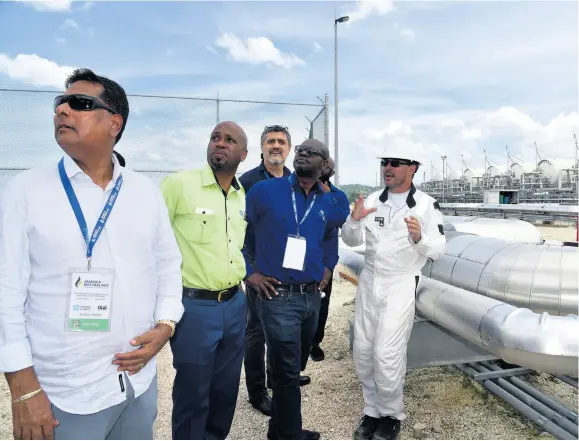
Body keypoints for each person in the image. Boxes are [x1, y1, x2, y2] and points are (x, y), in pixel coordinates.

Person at [0, 68, 184, 440]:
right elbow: (5, 294)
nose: (62, 111)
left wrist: (166, 325)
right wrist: (24, 391)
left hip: (138, 382)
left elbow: (168, 265)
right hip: (66, 394)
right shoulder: (24, 192)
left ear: (115, 122)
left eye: (79, 103)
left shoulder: (145, 192)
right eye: (59, 104)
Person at [243, 139, 347, 440]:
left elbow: (333, 229)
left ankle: (279, 428)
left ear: (325, 166)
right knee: (287, 373)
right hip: (277, 296)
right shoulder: (265, 191)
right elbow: (236, 233)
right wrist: (250, 274)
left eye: (312, 152)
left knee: (293, 364)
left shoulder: (327, 200)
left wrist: (329, 265)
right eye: (300, 149)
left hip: (311, 296)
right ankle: (287, 434)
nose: (302, 153)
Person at [341, 152, 446, 440]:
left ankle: (391, 414)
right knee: (363, 351)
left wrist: (419, 238)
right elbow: (350, 239)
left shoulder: (425, 205)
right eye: (384, 163)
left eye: (395, 163)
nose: (387, 168)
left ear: (412, 168)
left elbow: (438, 250)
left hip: (400, 282)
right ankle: (372, 410)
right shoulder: (373, 200)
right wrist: (353, 220)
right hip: (370, 279)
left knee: (386, 353)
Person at [160, 121, 249, 440]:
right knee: (192, 392)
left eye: (229, 140)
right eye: (215, 137)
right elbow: (151, 242)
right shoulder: (179, 185)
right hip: (194, 307)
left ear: (244, 153)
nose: (220, 143)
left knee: (225, 392)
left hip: (235, 304)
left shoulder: (240, 196)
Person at [239, 125, 293, 417]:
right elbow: (236, 231)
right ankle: (257, 392)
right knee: (256, 331)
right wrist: (250, 272)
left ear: (289, 149)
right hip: (260, 274)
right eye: (270, 141)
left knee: (283, 328)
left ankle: (276, 378)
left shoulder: (295, 182)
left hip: (291, 273)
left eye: (281, 142)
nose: (275, 146)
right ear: (261, 148)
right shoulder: (247, 182)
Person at [308, 157, 350, 362]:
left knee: (322, 304)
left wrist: (329, 266)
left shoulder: (338, 196)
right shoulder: (301, 190)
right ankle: (298, 346)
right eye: (322, 164)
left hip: (324, 260)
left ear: (332, 172)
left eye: (328, 167)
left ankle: (315, 343)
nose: (324, 169)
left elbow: (345, 223)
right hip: (298, 259)